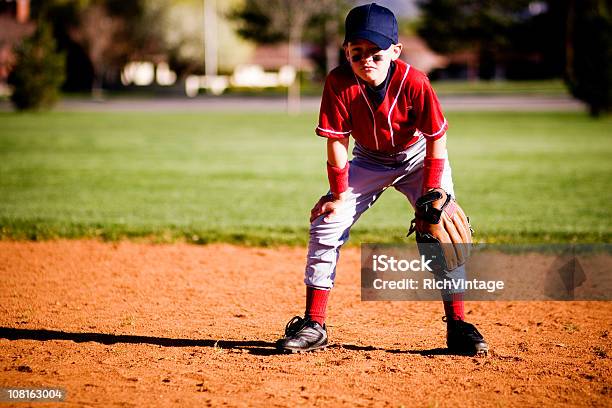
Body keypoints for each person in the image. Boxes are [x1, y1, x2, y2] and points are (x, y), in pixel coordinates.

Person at [276, 3, 488, 355]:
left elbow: (437, 137)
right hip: (369, 160)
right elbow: (337, 141)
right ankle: (314, 323)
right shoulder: (339, 81)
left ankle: (458, 324)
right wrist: (338, 194)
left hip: (418, 158)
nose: (366, 59)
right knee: (328, 223)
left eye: (376, 51)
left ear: (395, 51)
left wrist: (435, 190)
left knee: (441, 231)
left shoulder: (415, 82)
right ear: (347, 51)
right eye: (357, 52)